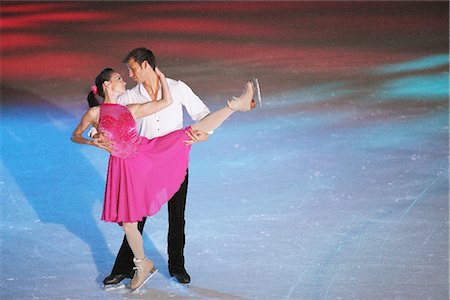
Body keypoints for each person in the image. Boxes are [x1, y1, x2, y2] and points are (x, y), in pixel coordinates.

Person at [71, 66, 256, 292]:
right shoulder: (95, 113)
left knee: (189, 133)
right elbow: (76, 135)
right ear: (107, 85)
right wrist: (93, 140)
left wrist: (160, 78)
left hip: (145, 155)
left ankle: (234, 105)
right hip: (123, 168)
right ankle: (142, 264)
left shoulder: (129, 109)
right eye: (120, 78)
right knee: (129, 223)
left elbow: (165, 102)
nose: (125, 81)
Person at [91, 48, 213, 286]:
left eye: (133, 68)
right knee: (135, 217)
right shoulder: (129, 97)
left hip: (174, 159)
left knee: (177, 216)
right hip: (144, 164)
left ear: (145, 65)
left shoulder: (176, 88)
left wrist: (204, 134)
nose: (130, 74)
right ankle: (124, 267)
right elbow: (106, 116)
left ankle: (177, 266)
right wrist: (95, 134)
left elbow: (203, 113)